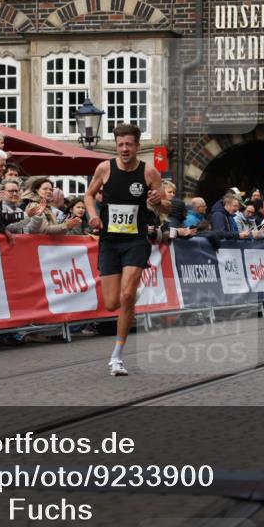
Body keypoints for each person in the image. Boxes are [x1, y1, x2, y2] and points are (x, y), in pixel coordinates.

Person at [84, 123, 168, 376]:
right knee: (111, 304)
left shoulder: (149, 172)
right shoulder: (104, 168)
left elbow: (166, 206)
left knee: (128, 294)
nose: (124, 149)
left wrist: (158, 202)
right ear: (115, 146)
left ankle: (117, 356)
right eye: (120, 144)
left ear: (137, 146)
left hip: (136, 241)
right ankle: (130, 294)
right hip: (110, 241)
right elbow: (89, 196)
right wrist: (92, 216)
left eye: (128, 144)